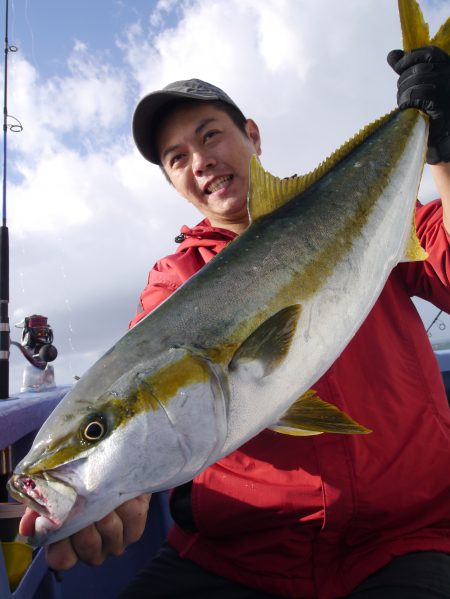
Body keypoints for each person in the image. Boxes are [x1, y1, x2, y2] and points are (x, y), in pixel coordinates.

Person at [32, 45, 450, 598]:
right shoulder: (173, 282)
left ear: (252, 135)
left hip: (403, 540)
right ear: (172, 182)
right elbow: (144, 390)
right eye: (176, 157)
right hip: (236, 557)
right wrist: (126, 486)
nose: (198, 160)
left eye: (209, 136)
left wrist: (442, 155)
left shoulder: (361, 202)